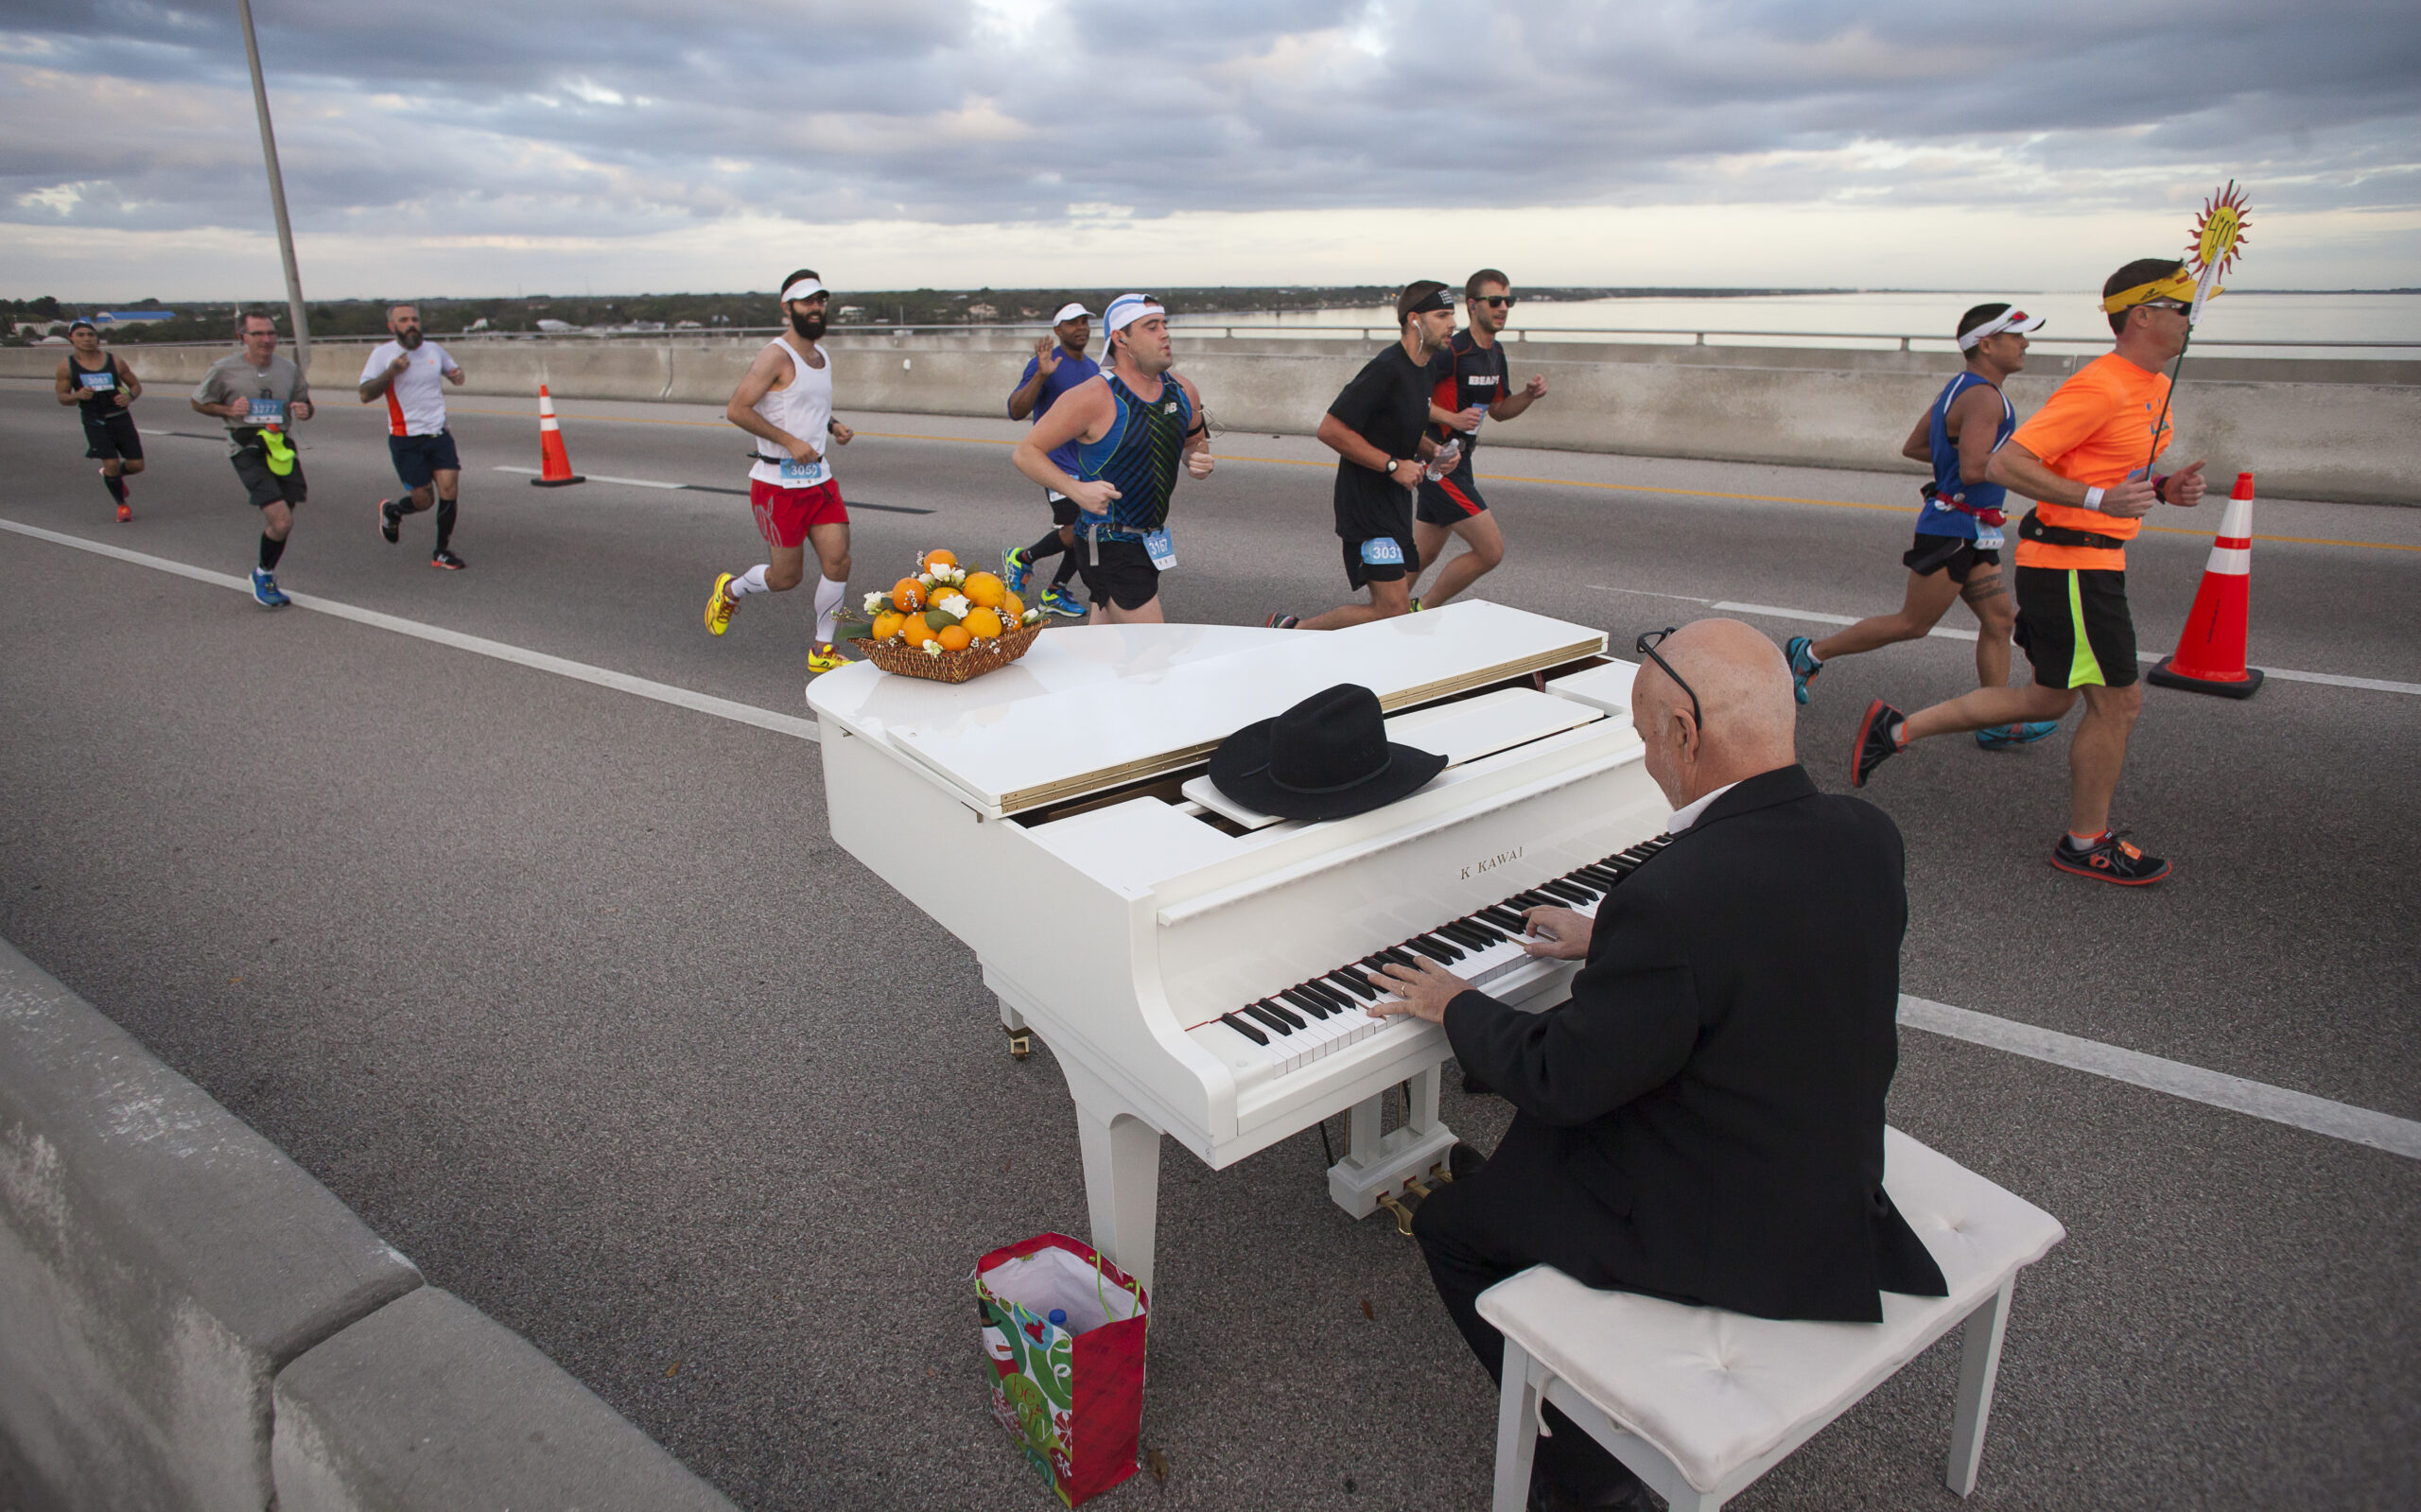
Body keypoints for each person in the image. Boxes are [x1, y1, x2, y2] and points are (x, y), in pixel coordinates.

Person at [1367, 619, 1947, 1512]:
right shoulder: (1868, 835)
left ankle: (1589, 1473)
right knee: (1530, 1151)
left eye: (1644, 737)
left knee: (1449, 1224)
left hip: (1720, 1226)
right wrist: (1611, 944)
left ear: (1685, 732)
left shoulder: (1674, 899)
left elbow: (1564, 1079)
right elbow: (1769, 947)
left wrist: (1456, 1004)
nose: (1646, 760)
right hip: (1827, 1171)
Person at [1852, 259, 2212, 884]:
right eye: (2182, 308)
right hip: (2071, 564)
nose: (2192, 319)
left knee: (2047, 695)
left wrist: (2160, 486)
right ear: (2143, 315)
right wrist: (2098, 503)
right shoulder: (2101, 385)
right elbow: (2004, 463)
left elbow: (2102, 469)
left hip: (2092, 559)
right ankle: (2084, 841)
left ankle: (1898, 727)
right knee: (2118, 703)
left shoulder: (2152, 386)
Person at [1785, 303, 2058, 748]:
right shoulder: (1987, 398)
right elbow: (1973, 469)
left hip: (1971, 528)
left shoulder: (1959, 389)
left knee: (1999, 621)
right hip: (1953, 531)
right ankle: (1811, 653)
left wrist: (1959, 466)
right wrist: (2031, 469)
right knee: (1912, 624)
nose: (2025, 343)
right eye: (2016, 336)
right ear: (1986, 344)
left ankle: (1994, 718)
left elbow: (1918, 446)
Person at [1009, 293, 1212, 624]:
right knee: (1152, 657)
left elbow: (1195, 445)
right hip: (1107, 541)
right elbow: (1026, 453)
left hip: (1149, 537)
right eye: (1150, 327)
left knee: (1105, 650)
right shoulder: (1094, 395)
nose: (1164, 334)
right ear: (1121, 338)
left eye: (1164, 324)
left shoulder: (1184, 391)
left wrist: (1198, 461)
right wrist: (1075, 490)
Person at [1266, 282, 1455, 631]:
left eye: (1452, 314)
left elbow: (1404, 428)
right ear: (1414, 320)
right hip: (1366, 506)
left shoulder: (1426, 368)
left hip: (1396, 504)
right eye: (1442, 315)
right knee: (1391, 610)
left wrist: (1435, 451)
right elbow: (1330, 429)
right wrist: (1393, 466)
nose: (1452, 323)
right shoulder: (1386, 368)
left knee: (1391, 609)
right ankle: (1293, 631)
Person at [705, 269, 857, 674]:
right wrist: (790, 442)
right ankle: (732, 589)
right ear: (787, 308)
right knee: (786, 577)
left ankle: (822, 649)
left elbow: (800, 405)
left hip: (819, 480)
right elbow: (738, 409)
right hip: (777, 485)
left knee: (839, 562)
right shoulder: (775, 355)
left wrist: (832, 425)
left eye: (820, 301)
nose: (816, 308)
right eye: (807, 302)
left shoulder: (821, 357)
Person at [1410, 269, 1548, 608]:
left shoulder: (1495, 353)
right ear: (1472, 305)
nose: (1503, 308)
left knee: (1424, 554)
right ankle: (1420, 608)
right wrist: (1451, 418)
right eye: (1495, 301)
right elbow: (1409, 399)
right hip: (1436, 459)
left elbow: (1499, 409)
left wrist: (1528, 396)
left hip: (1462, 460)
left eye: (1508, 301)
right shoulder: (1451, 351)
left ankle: (1382, 610)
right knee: (1490, 551)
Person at [191, 312, 315, 608]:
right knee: (282, 520)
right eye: (258, 334)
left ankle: (261, 571)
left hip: (281, 445)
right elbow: (198, 402)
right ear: (242, 337)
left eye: (271, 333)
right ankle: (265, 575)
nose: (267, 340)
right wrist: (227, 410)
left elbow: (306, 405)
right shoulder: (225, 369)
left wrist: (303, 410)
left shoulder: (288, 369)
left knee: (286, 516)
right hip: (246, 444)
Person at [1001, 302, 1098, 618]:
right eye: (1072, 323)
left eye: (1084, 321)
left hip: (1087, 464)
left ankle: (1055, 590)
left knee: (1086, 530)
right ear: (1058, 330)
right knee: (1075, 531)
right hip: (1054, 462)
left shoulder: (1094, 369)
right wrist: (1041, 377)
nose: (1080, 327)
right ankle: (1023, 557)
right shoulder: (1045, 363)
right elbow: (1016, 410)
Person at [360, 303, 470, 568]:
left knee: (449, 489)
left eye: (415, 319)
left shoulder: (434, 349)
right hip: (405, 438)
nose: (411, 324)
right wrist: (391, 372)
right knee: (424, 501)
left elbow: (455, 374)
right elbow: (365, 394)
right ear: (392, 326)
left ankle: (441, 551)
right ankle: (393, 511)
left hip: (437, 432)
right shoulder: (383, 354)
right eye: (404, 320)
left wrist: (456, 376)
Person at [55, 320, 145, 522]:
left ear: (97, 338)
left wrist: (129, 396)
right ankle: (122, 505)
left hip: (120, 418)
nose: (87, 339)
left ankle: (110, 475)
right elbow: (62, 398)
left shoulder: (115, 361)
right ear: (72, 339)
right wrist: (78, 395)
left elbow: (135, 385)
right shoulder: (67, 367)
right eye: (81, 335)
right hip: (94, 420)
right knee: (111, 462)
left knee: (137, 465)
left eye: (90, 334)